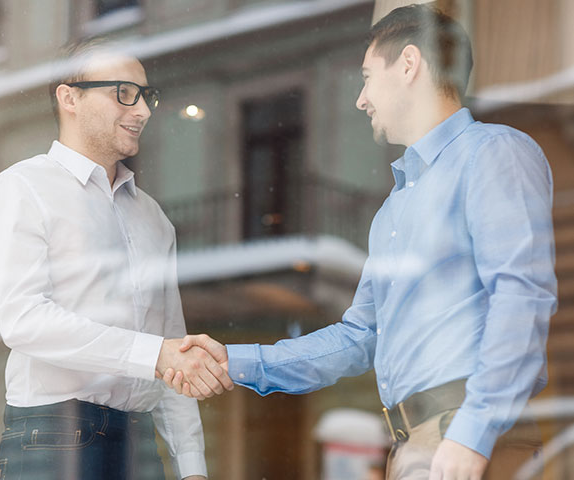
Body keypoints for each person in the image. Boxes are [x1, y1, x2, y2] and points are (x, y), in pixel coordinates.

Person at [164, 4, 557, 479]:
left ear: (409, 64)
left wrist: (472, 433)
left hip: (467, 435)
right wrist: (239, 360)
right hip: (416, 442)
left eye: (368, 77)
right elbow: (359, 337)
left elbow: (521, 296)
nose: (361, 99)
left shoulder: (493, 153)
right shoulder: (395, 207)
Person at [0, 39, 232, 480]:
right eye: (123, 93)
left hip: (140, 443)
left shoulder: (154, 218)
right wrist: (156, 355)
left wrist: (192, 468)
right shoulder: (20, 188)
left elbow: (170, 340)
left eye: (145, 95)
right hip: (53, 435)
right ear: (69, 97)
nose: (143, 111)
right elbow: (24, 320)